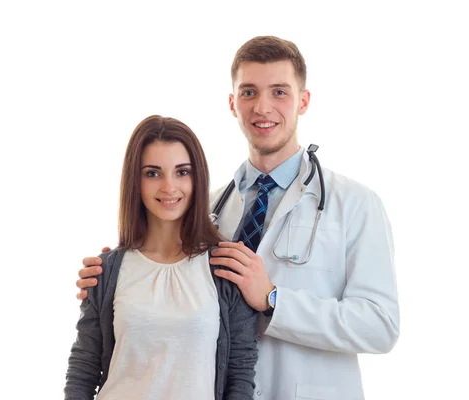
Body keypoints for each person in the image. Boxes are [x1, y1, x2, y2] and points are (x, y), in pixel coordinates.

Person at [75, 36, 400, 399]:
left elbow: (381, 325)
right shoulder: (206, 209)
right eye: (248, 93)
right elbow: (155, 280)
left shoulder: (354, 204)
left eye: (279, 92)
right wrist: (109, 277)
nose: (263, 107)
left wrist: (274, 299)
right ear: (232, 103)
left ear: (303, 101)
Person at [64, 115, 259, 399]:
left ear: (198, 177)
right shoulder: (107, 271)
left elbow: (240, 374)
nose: (169, 187)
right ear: (135, 180)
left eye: (182, 172)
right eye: (152, 173)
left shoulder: (224, 269)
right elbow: (83, 369)